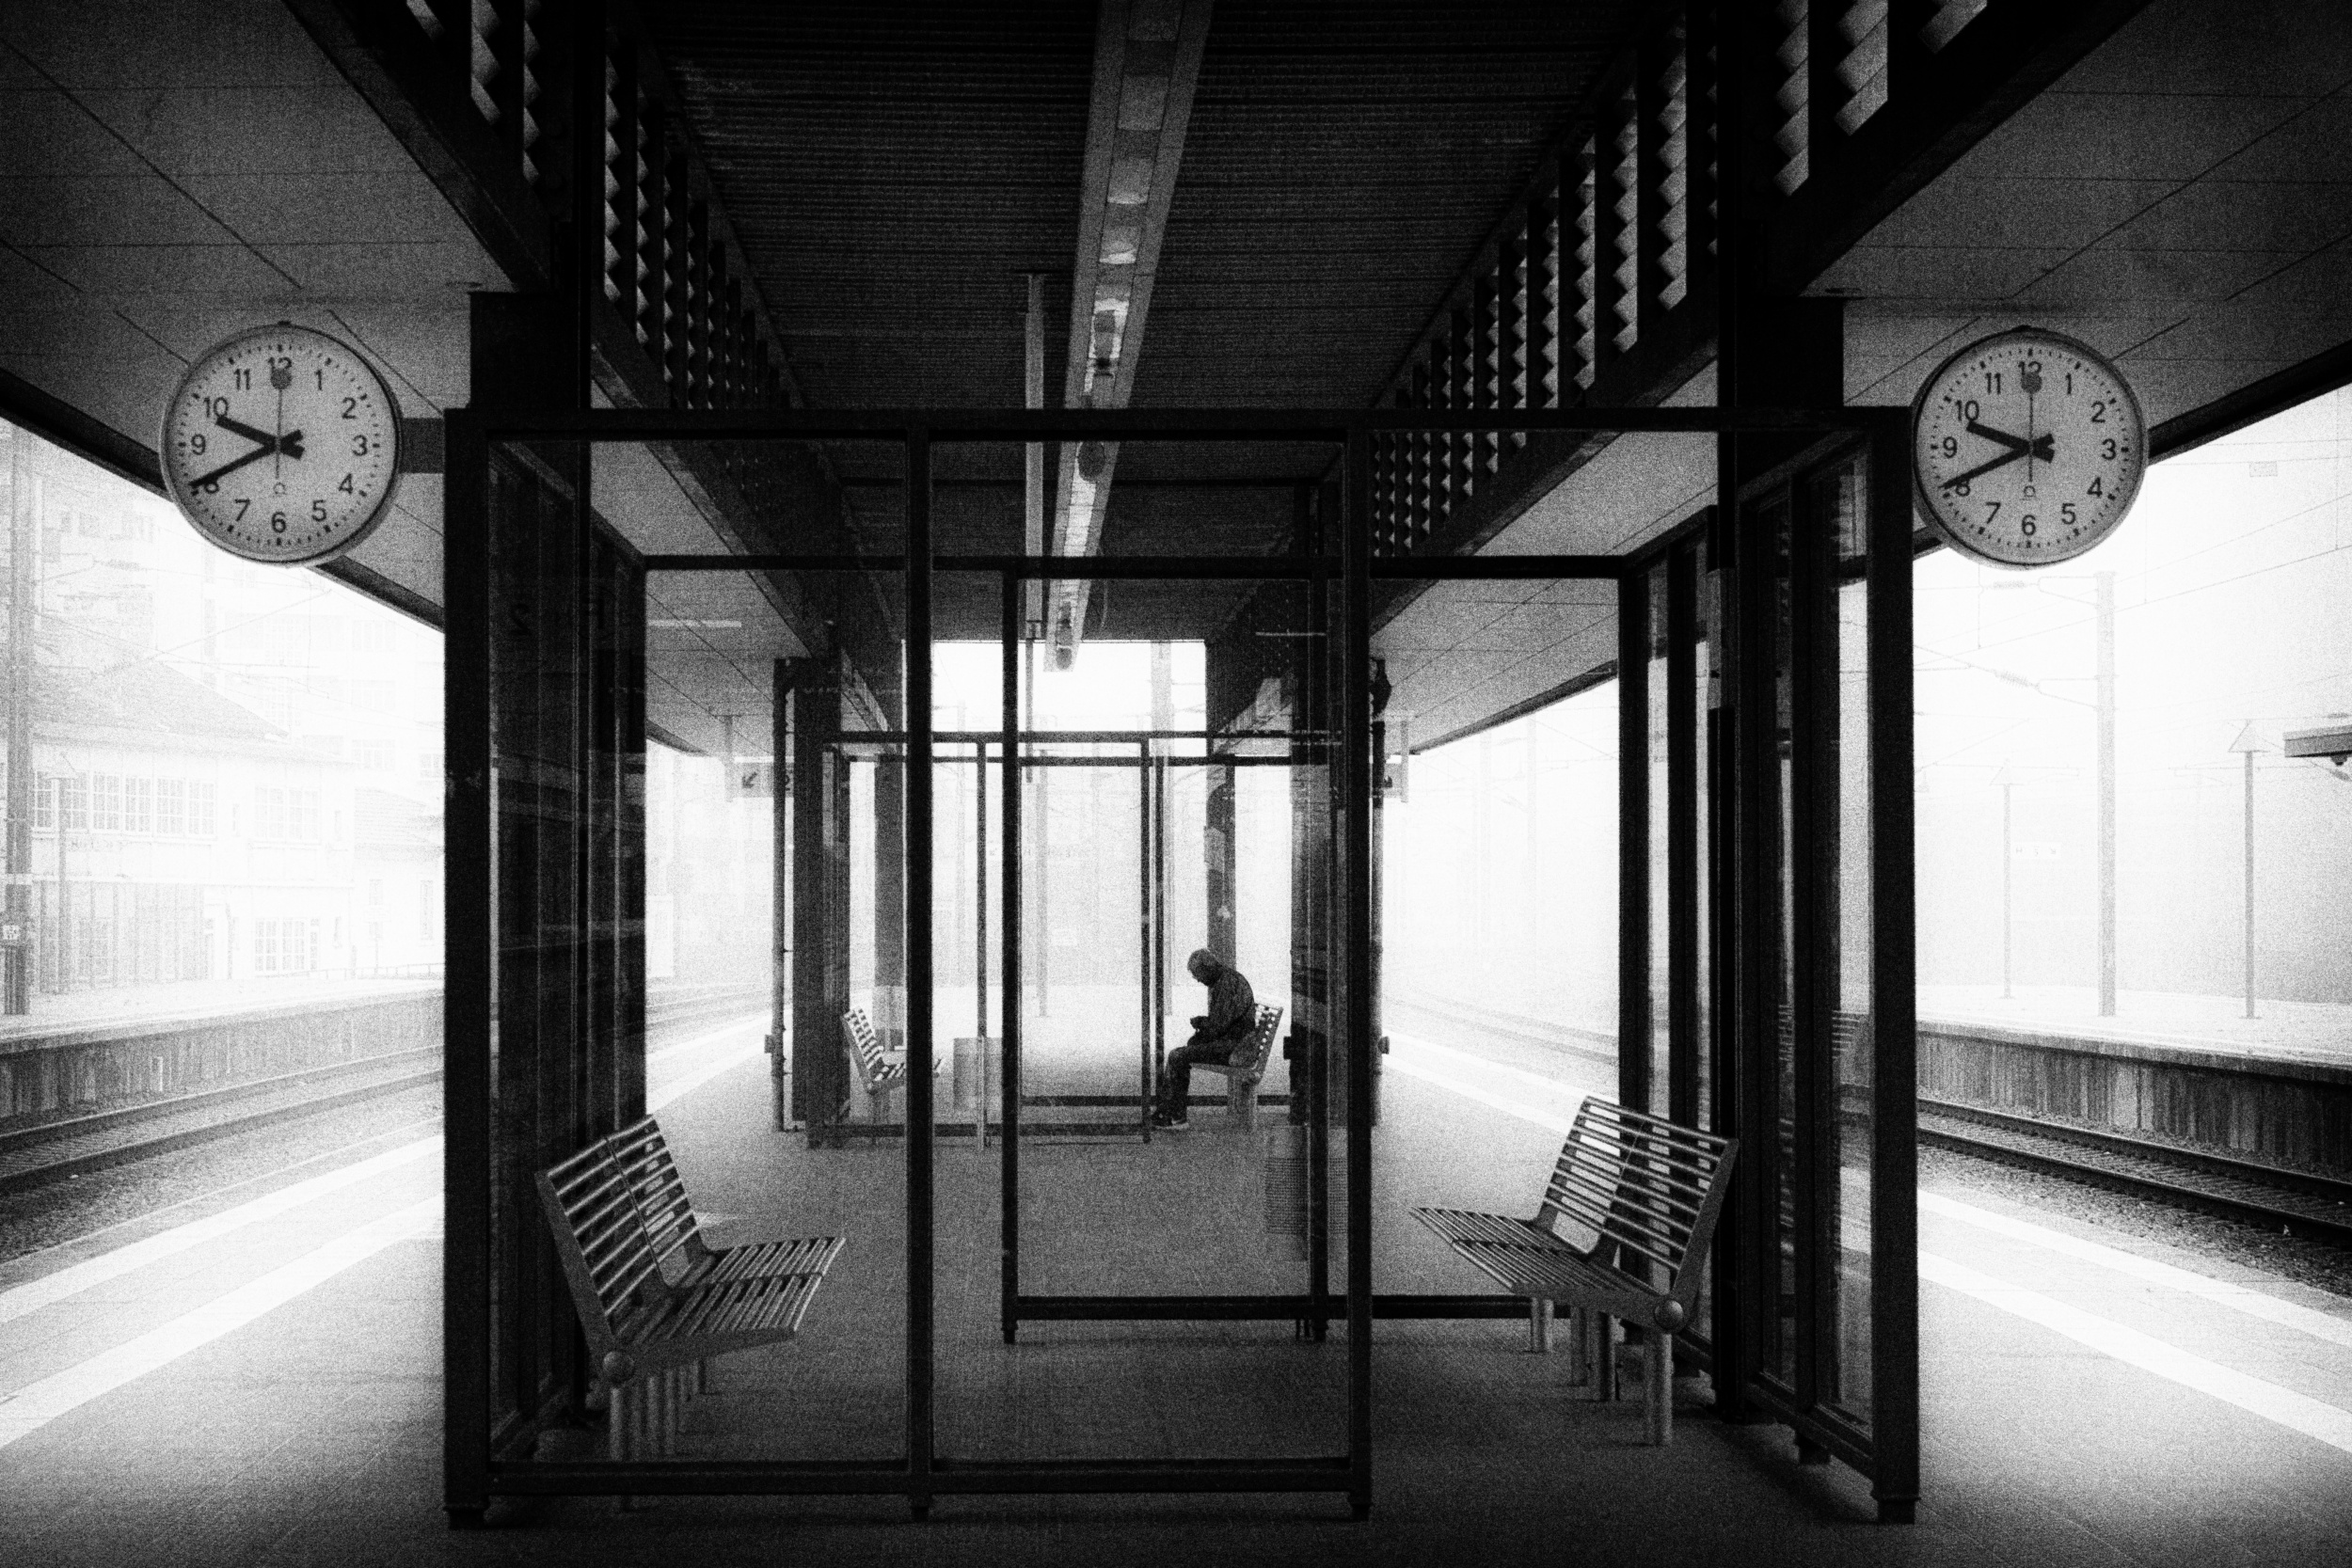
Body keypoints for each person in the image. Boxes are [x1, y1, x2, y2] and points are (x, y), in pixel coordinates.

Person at [1152, 948, 1256, 1131]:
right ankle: (1169, 1112)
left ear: (1207, 968)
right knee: (1182, 1053)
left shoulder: (1227, 984)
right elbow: (1222, 1022)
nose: (1197, 979)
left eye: (1197, 974)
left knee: (1178, 1056)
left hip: (1234, 1048)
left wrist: (1201, 1024)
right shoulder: (1228, 980)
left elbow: (1218, 1026)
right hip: (1235, 1043)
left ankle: (1175, 1117)